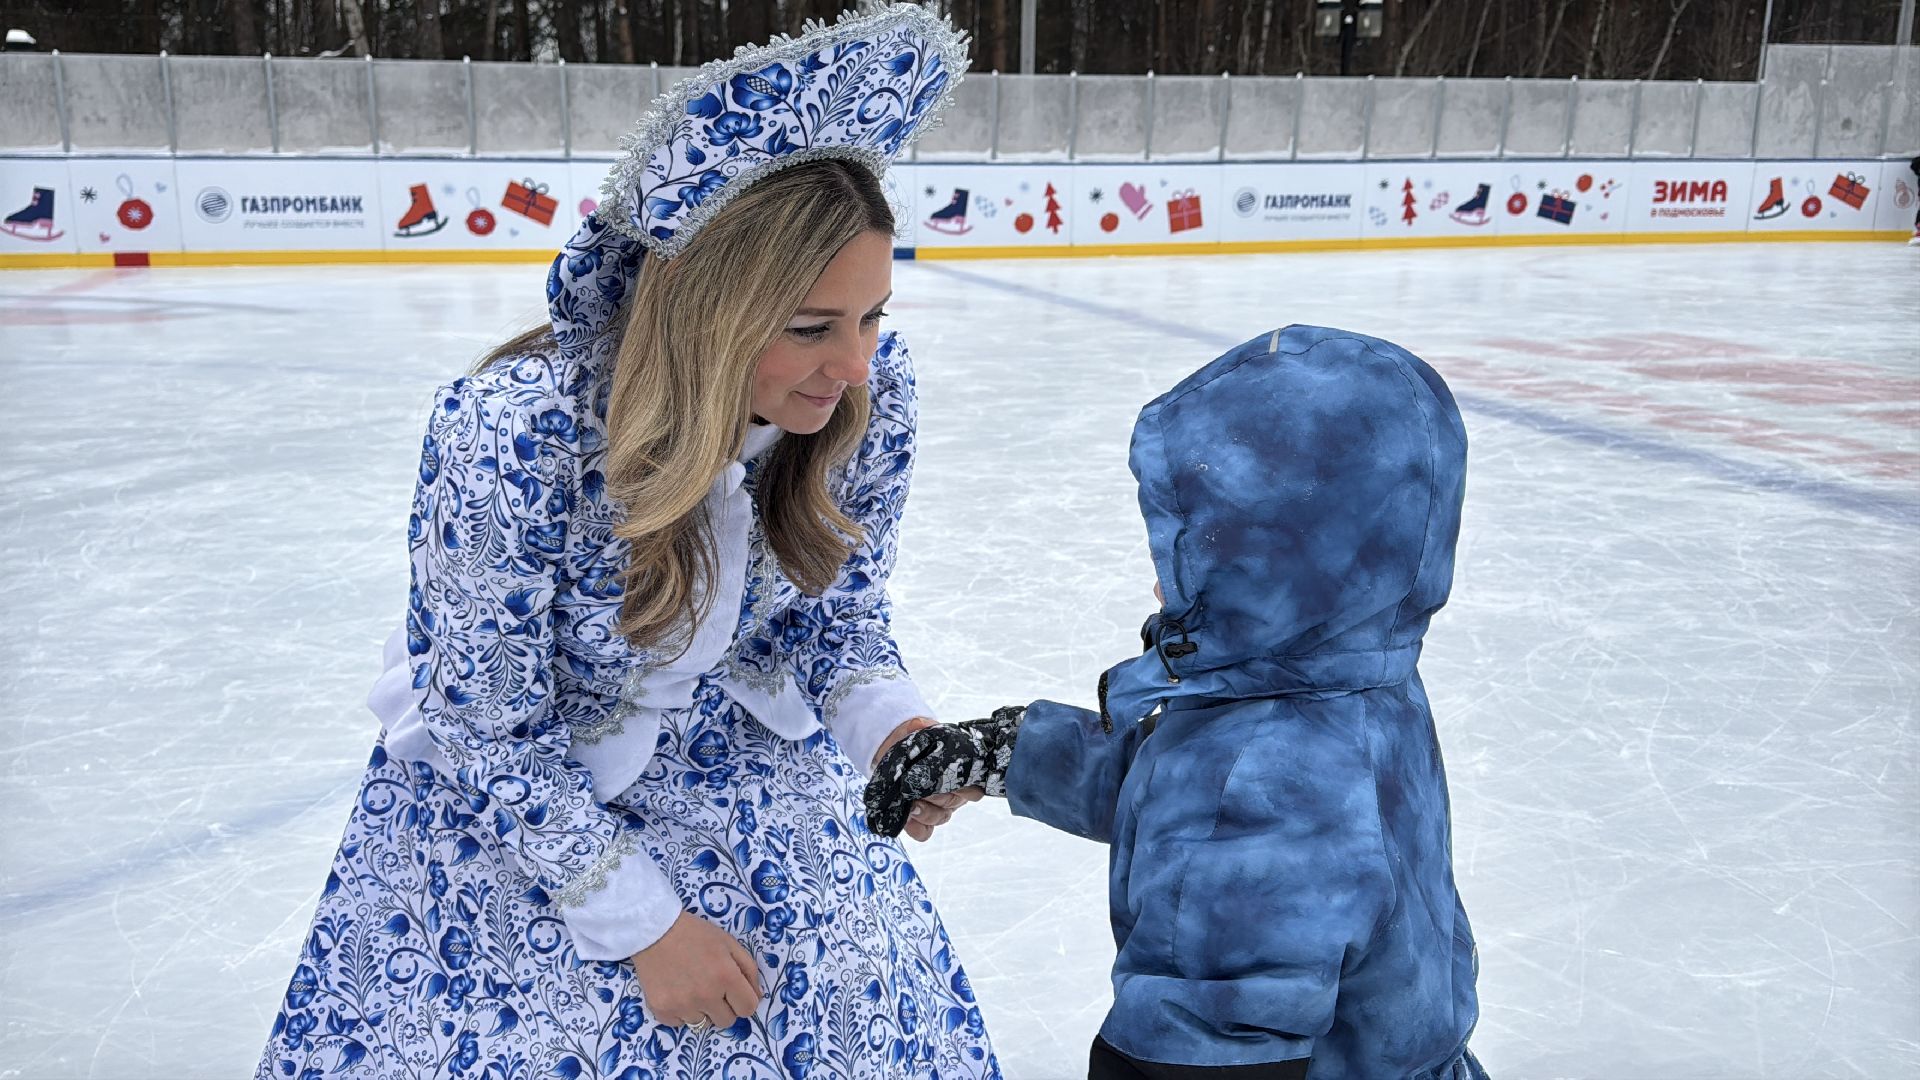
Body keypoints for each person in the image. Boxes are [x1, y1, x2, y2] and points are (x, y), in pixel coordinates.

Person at [256, 6, 1001, 1077]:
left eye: (872, 316)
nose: (856, 366)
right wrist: (641, 924)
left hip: (743, 774)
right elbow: (485, 719)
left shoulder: (865, 405)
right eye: (809, 327)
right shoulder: (517, 427)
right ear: (706, 309)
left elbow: (836, 614)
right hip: (525, 818)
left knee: (844, 994)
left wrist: (894, 731)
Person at [867, 326, 1488, 1080]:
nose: (1166, 561)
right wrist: (1008, 753)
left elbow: (1200, 1044)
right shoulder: (1351, 675)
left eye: (1204, 537)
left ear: (1276, 555)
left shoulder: (1254, 790)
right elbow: (1184, 779)